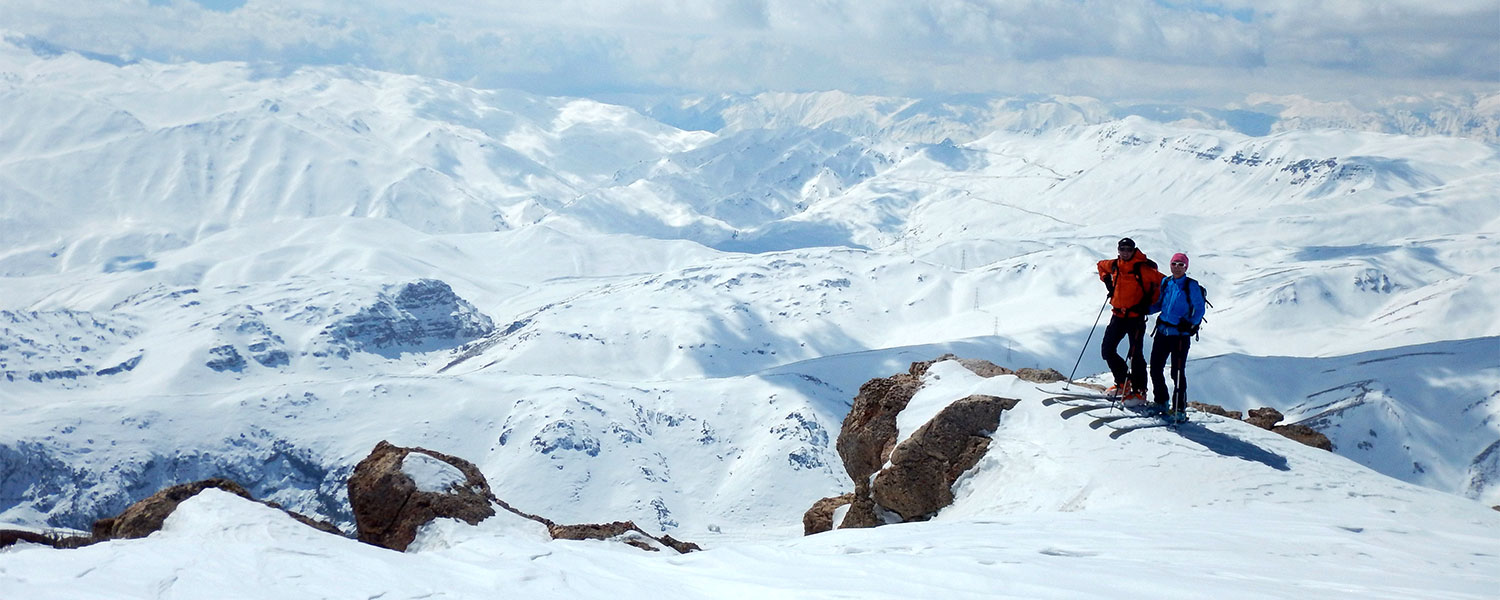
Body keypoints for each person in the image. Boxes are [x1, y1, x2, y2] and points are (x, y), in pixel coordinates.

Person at [1095, 237, 1163, 406]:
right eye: (1122, 249)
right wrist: (1108, 281)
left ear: (1134, 250)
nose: (1125, 252)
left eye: (1128, 250)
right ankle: (1124, 383)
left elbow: (1163, 283)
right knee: (1107, 350)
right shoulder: (1115, 264)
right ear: (1118, 250)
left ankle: (1139, 392)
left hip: (1135, 318)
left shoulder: (1143, 268)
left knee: (1136, 355)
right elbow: (1100, 265)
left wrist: (1149, 303)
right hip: (1118, 315)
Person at [1149, 252, 1206, 422]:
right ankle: (1161, 401)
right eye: (1174, 263)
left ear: (1186, 267)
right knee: (1155, 368)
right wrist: (1145, 310)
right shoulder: (1167, 282)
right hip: (1163, 331)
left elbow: (1199, 309)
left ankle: (1179, 409)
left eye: (1181, 264)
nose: (1177, 267)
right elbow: (1161, 304)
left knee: (1177, 372)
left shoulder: (1191, 286)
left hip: (1180, 335)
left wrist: (1190, 325)